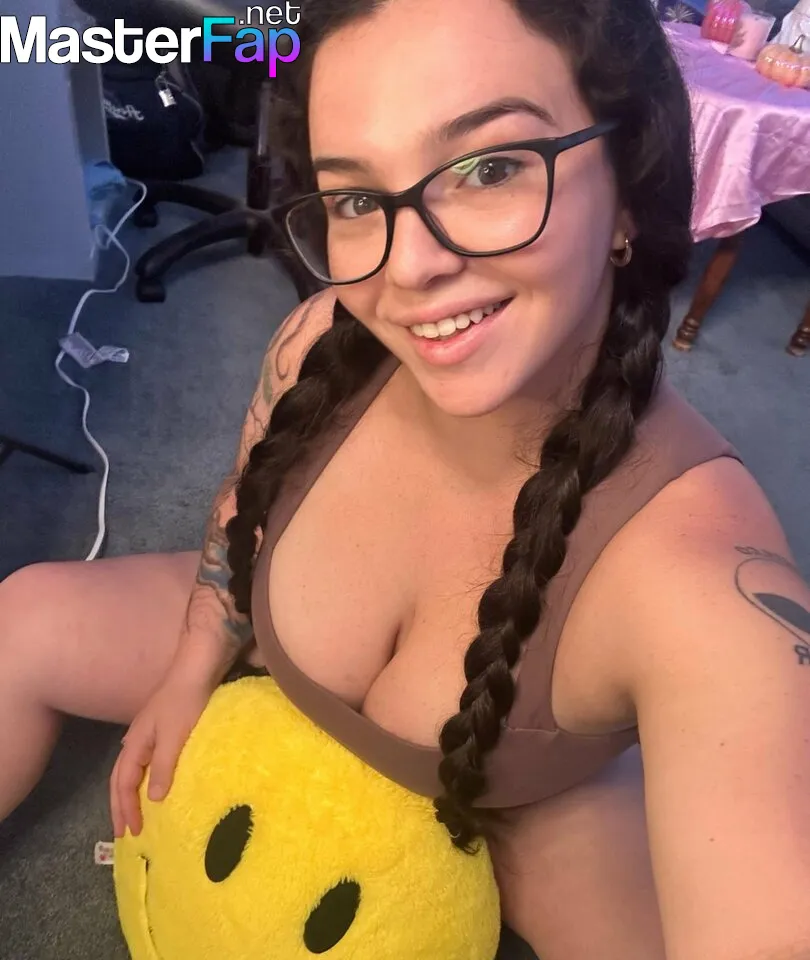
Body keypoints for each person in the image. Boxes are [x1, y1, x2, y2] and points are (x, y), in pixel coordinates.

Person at [3, 0, 810, 956]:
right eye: (355, 199)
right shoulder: (317, 340)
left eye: (490, 168)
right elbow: (240, 511)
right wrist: (192, 665)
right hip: (272, 660)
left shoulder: (709, 589)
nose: (410, 268)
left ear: (629, 184)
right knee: (24, 616)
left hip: (516, 801)